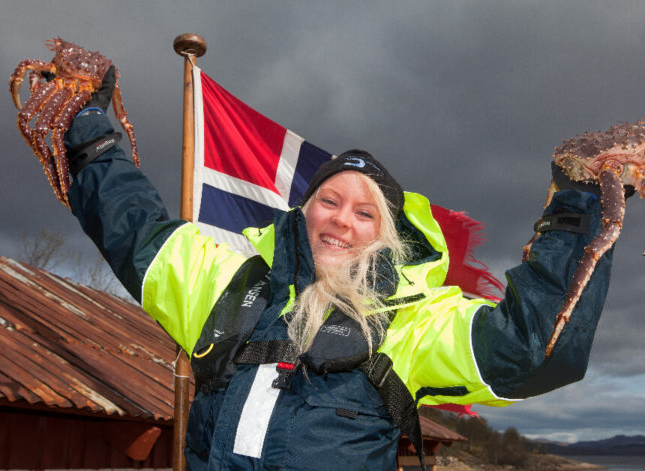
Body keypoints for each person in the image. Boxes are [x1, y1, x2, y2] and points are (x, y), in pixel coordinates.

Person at [60, 66, 614, 471]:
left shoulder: (412, 324)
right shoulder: (227, 286)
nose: (342, 221)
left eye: (364, 211)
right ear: (303, 213)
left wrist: (577, 205)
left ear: (385, 235)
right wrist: (88, 127)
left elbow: (534, 347)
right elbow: (133, 228)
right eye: (329, 200)